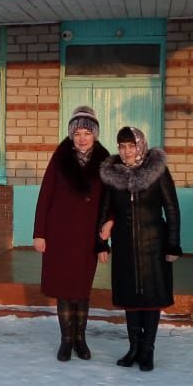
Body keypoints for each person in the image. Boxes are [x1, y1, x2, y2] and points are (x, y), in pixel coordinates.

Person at [97, 126, 181, 372]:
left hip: (154, 244)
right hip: (125, 245)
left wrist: (173, 245)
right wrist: (101, 243)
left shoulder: (157, 172)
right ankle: (133, 347)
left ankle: (147, 350)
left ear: (140, 146)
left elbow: (172, 209)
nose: (126, 151)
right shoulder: (113, 176)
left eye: (131, 146)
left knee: (151, 298)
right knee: (130, 298)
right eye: (122, 146)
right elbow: (104, 210)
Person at [33, 105, 111, 361]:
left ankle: (81, 340)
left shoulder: (105, 160)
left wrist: (105, 233)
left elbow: (111, 200)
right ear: (71, 135)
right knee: (64, 288)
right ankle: (66, 340)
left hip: (87, 235)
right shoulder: (60, 157)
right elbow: (45, 195)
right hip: (59, 233)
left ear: (95, 135)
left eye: (87, 132)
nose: (82, 138)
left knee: (81, 288)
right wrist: (40, 233)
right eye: (77, 133)